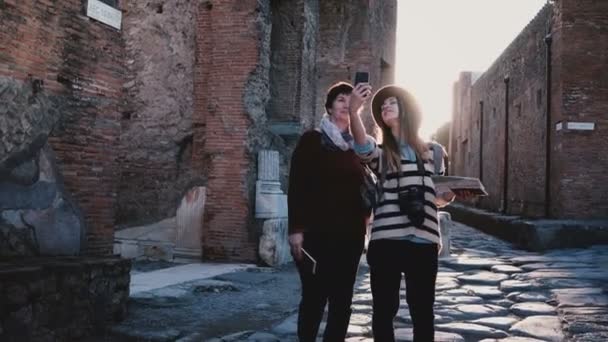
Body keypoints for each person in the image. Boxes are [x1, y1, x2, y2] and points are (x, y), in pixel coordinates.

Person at [348, 83, 455, 342]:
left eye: (391, 103)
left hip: (424, 240)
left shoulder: (435, 151)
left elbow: (439, 198)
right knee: (384, 312)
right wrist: (353, 112)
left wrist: (450, 195)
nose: (385, 107)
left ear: (406, 109)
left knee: (423, 313)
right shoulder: (382, 153)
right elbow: (362, 147)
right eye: (382, 106)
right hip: (386, 242)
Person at [287, 82, 371, 341]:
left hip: (350, 235)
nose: (346, 104)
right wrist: (296, 230)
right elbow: (297, 185)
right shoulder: (312, 139)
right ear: (329, 107)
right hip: (316, 235)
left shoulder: (361, 146)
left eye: (351, 100)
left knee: (342, 302)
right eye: (340, 100)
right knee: (314, 298)